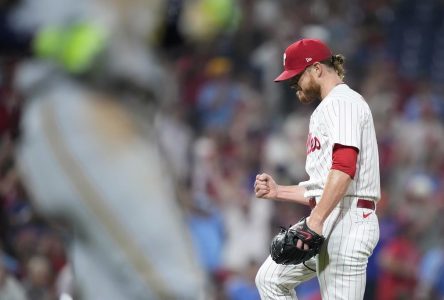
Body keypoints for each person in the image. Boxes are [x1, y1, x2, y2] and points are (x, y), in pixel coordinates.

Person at [254, 38, 380, 299]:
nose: (293, 84)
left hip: (348, 221)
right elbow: (326, 186)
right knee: (269, 279)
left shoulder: (343, 102)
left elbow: (344, 168)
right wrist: (279, 191)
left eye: (296, 77)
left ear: (317, 69)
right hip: (331, 214)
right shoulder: (329, 107)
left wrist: (316, 222)